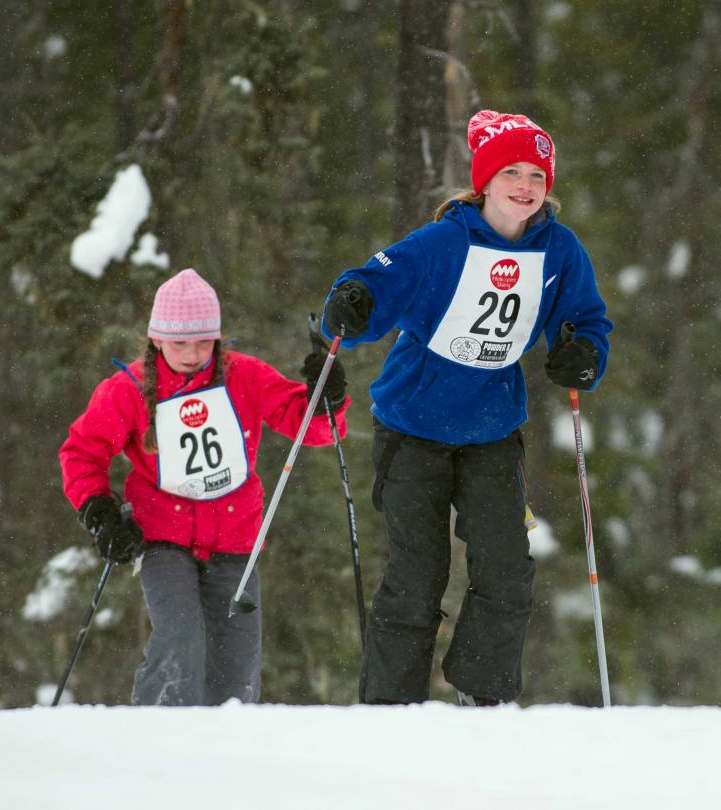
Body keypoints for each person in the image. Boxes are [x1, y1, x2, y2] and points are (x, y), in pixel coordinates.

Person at [321, 110, 613, 706]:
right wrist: (349, 305)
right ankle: (390, 706)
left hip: (491, 430)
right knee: (417, 573)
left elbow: (586, 318)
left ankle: (484, 697)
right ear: (484, 179)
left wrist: (584, 352)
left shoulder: (559, 250)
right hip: (412, 426)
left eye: (537, 173)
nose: (526, 185)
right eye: (512, 171)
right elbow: (371, 288)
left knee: (507, 568)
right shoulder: (442, 241)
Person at [60, 268, 349, 706]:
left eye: (203, 342)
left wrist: (325, 396)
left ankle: (228, 748)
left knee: (237, 658)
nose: (193, 354)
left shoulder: (243, 376)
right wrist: (98, 509)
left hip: (236, 539)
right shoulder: (130, 389)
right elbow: (83, 451)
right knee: (180, 638)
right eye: (180, 343)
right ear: (156, 339)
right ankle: (159, 733)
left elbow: (312, 427)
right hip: (161, 537)